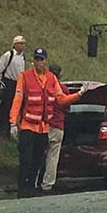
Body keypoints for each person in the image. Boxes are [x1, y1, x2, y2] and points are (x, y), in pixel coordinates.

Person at [10, 48, 84, 198]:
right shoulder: (24, 77)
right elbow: (18, 99)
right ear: (33, 61)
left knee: (37, 160)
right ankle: (22, 189)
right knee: (26, 159)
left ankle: (30, 187)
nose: (39, 62)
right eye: (37, 59)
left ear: (46, 61)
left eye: (41, 59)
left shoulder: (51, 79)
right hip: (27, 126)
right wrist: (12, 122)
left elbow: (61, 99)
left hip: (43, 128)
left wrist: (78, 94)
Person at [38, 64, 73, 194]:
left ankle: (33, 181)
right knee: (52, 156)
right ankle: (47, 185)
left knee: (38, 154)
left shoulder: (42, 87)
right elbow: (67, 107)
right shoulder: (63, 89)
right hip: (57, 125)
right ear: (60, 75)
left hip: (42, 124)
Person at [0, 36, 27, 138]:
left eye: (24, 44)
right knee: (5, 106)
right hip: (8, 82)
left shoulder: (23, 57)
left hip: (18, 83)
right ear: (15, 44)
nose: (23, 46)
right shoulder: (9, 55)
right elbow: (0, 68)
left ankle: (9, 127)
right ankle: (1, 128)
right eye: (20, 43)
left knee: (14, 106)